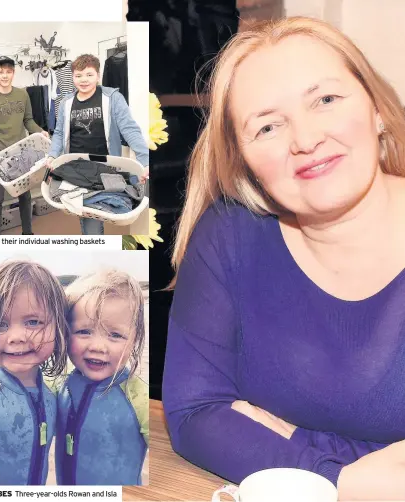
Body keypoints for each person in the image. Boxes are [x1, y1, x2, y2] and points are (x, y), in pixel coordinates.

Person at [163, 16, 405, 502]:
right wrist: (342, 479)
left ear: (377, 109)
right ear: (243, 159)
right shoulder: (228, 234)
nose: (306, 140)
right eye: (268, 126)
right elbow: (194, 415)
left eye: (326, 100)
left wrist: (288, 442)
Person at [0, 260, 68, 486]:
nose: (16, 336)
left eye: (33, 322)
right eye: (0, 325)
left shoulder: (53, 394)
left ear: (60, 328)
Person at [56, 269, 149, 485]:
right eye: (84, 332)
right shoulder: (59, 387)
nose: (97, 346)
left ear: (135, 340)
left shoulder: (138, 398)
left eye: (115, 335)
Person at [45, 54, 149, 235]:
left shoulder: (113, 98)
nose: (83, 80)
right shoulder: (65, 103)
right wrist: (53, 155)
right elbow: (60, 132)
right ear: (73, 77)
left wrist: (145, 160)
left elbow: (130, 130)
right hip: (78, 167)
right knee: (89, 219)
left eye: (89, 75)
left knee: (114, 206)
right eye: (78, 76)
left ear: (98, 76)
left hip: (106, 168)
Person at [0, 56, 49, 236]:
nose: (4, 76)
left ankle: (28, 233)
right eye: (0, 72)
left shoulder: (22, 94)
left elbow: (28, 120)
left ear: (13, 73)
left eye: (8, 72)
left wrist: (39, 131)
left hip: (21, 153)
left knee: (24, 195)